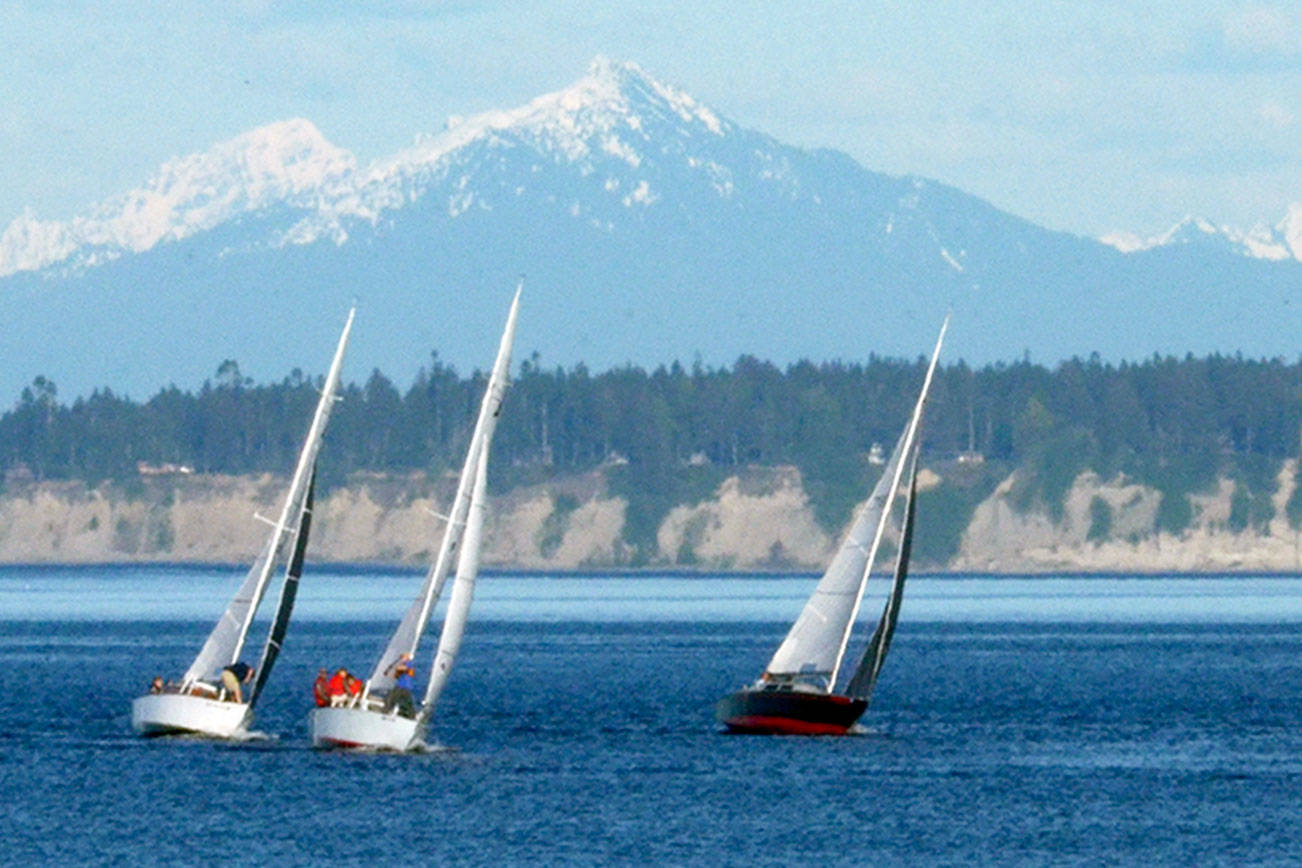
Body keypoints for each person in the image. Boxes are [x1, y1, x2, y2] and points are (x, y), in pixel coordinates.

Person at [384, 653, 417, 719]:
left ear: (407, 657)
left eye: (403, 657)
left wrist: (394, 666)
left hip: (402, 686)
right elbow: (397, 675)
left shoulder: (409, 663)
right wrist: (388, 673)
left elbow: (403, 668)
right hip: (406, 687)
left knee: (390, 698)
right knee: (407, 702)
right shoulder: (405, 665)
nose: (402, 658)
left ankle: (386, 711)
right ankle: (412, 715)